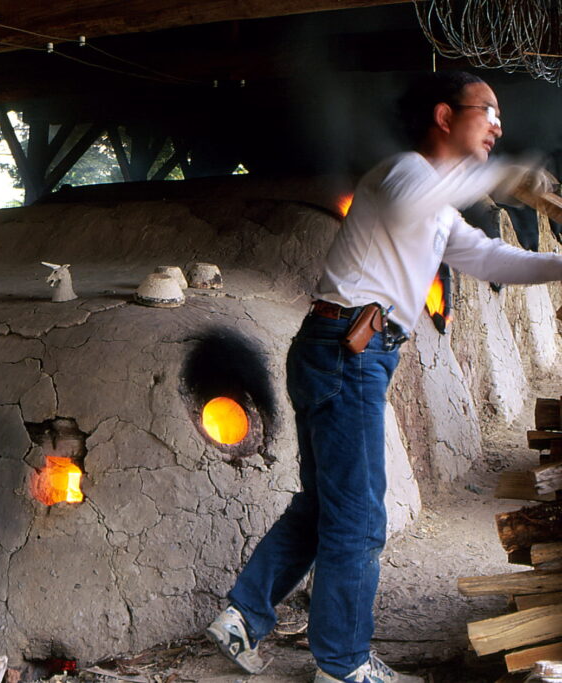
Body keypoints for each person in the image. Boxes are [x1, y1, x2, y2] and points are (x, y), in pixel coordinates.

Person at [205, 71, 562, 683]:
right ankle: (342, 666)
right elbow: (417, 199)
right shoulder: (405, 173)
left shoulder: (439, 207)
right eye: (489, 112)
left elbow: (492, 257)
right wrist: (504, 175)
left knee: (325, 505)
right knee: (359, 518)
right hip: (348, 352)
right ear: (445, 116)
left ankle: (242, 616)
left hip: (340, 350)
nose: (499, 125)